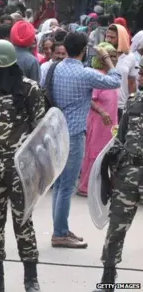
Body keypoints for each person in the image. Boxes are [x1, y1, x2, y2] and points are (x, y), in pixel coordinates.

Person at [0, 39, 45, 292]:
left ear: (0, 62)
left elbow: (41, 131)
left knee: (23, 223)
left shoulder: (29, 90)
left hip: (20, 171)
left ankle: (31, 279)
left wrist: (38, 170)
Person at [50, 32, 121, 248]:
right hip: (73, 133)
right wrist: (107, 58)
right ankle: (60, 233)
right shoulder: (85, 73)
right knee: (67, 186)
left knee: (61, 184)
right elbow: (115, 80)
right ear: (83, 51)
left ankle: (60, 228)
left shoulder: (56, 68)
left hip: (57, 130)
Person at [93, 59, 143, 291]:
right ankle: (108, 279)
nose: (140, 77)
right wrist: (112, 168)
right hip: (128, 175)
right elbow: (120, 139)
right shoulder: (133, 103)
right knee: (116, 227)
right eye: (141, 72)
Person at [77, 43, 119, 197]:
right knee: (94, 154)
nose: (113, 59)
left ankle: (98, 186)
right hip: (98, 122)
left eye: (115, 56)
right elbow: (90, 99)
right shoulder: (98, 76)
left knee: (105, 155)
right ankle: (85, 186)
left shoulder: (111, 77)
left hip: (109, 124)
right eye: (110, 56)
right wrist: (102, 112)